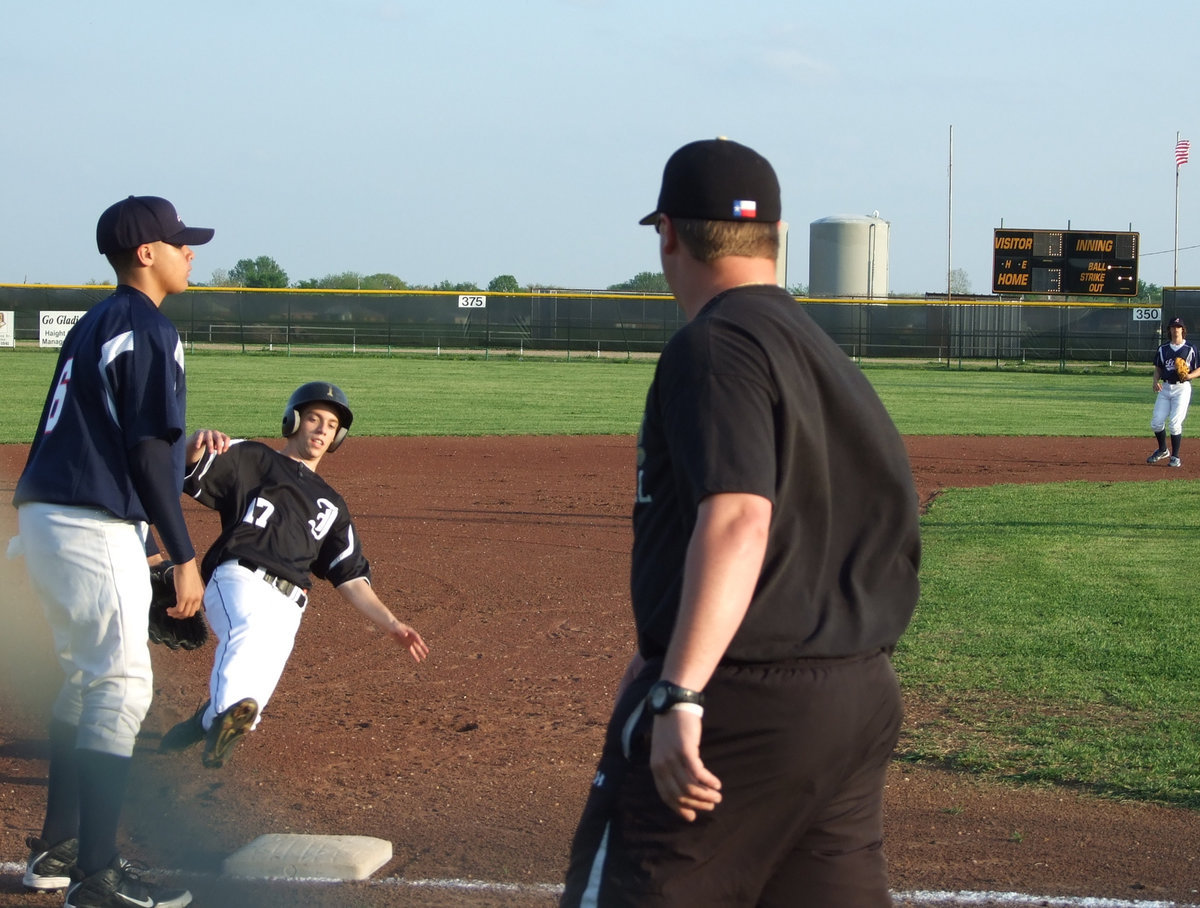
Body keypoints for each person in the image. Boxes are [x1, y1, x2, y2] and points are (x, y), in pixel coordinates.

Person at [560, 138, 921, 907]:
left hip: (743, 702)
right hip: (855, 699)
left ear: (668, 234)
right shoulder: (828, 358)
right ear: (777, 239)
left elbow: (738, 520)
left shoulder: (715, 346)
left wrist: (680, 689)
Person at [12, 195, 223, 908]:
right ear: (146, 254)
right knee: (123, 686)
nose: (189, 252)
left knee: (85, 681)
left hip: (51, 516)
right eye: (178, 242)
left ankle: (58, 850)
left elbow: (123, 433)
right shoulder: (147, 325)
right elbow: (142, 448)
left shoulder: (98, 321)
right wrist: (183, 552)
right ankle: (97, 877)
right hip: (91, 521)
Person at [158, 381, 430, 768]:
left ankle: (203, 724)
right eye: (314, 419)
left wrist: (392, 624)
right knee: (246, 634)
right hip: (238, 577)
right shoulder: (254, 457)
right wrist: (194, 445)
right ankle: (222, 717)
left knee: (259, 688)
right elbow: (182, 468)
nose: (321, 430)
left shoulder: (332, 506)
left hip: (290, 605)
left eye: (331, 425)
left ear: (338, 438)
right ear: (293, 421)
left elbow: (350, 577)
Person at [1147, 315, 1198, 468]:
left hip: (1182, 389)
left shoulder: (1190, 349)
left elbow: (1199, 369)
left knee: (1175, 424)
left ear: (1183, 329)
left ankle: (1175, 457)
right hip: (1166, 387)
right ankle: (1163, 450)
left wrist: (1189, 375)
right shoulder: (1163, 349)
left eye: (1178, 327)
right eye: (1173, 327)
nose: (1175, 329)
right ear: (1169, 330)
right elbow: (1158, 368)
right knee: (1156, 422)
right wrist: (1155, 381)